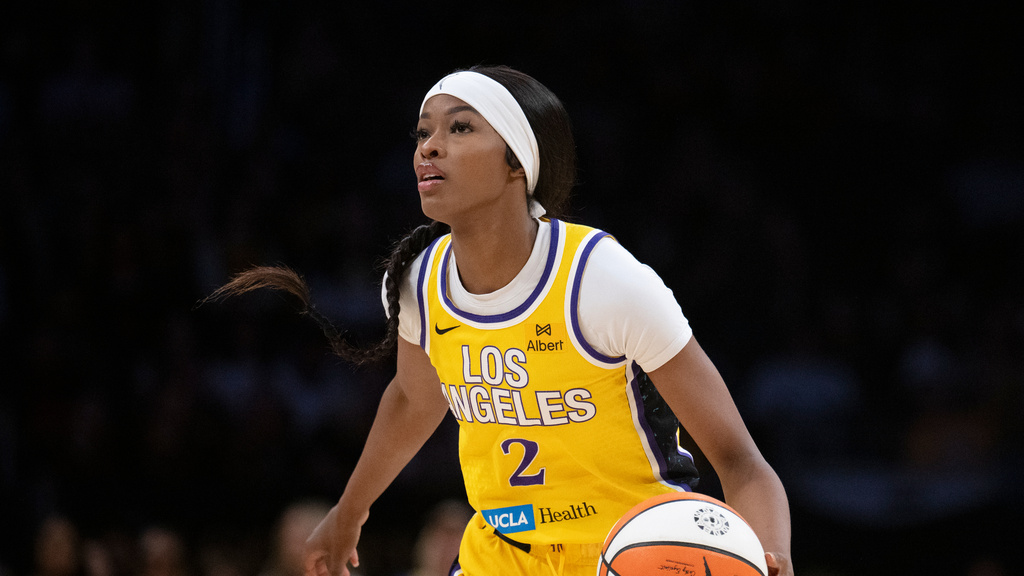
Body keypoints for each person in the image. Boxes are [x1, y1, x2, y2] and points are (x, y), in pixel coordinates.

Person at [206, 65, 793, 576]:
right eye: (423, 132)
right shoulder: (422, 280)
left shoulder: (603, 280)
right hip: (501, 552)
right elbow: (414, 401)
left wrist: (770, 553)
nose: (428, 147)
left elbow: (741, 461)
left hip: (633, 548)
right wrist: (349, 511)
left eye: (459, 128)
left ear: (517, 161)